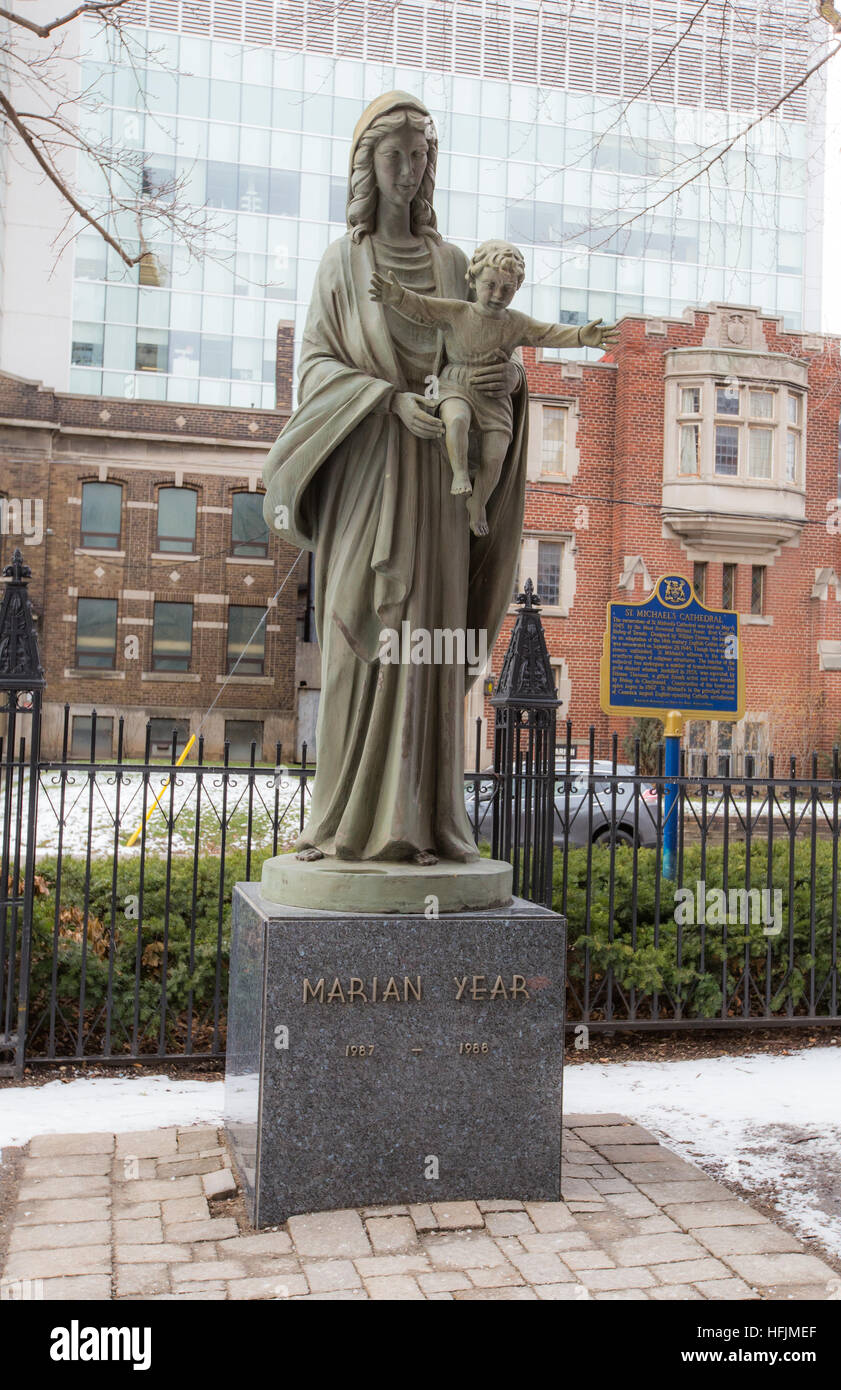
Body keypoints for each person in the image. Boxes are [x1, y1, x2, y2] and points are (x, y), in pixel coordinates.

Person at [262, 93, 529, 865]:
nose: (408, 172)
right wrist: (385, 400)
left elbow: (484, 357)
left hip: (440, 489)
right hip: (369, 477)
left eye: (420, 156)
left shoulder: (453, 265)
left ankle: (421, 823)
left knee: (425, 652)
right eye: (394, 156)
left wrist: (501, 382)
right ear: (367, 167)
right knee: (355, 636)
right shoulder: (341, 264)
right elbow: (314, 369)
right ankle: (342, 824)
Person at [371, 238, 618, 536]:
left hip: (492, 398)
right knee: (457, 420)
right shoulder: (458, 312)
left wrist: (580, 335)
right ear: (474, 280)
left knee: (495, 453)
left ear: (516, 289)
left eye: (507, 288)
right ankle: (460, 473)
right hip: (457, 384)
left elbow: (547, 333)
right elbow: (424, 308)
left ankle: (478, 503)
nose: (498, 294)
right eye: (491, 285)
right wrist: (397, 297)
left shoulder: (516, 323)